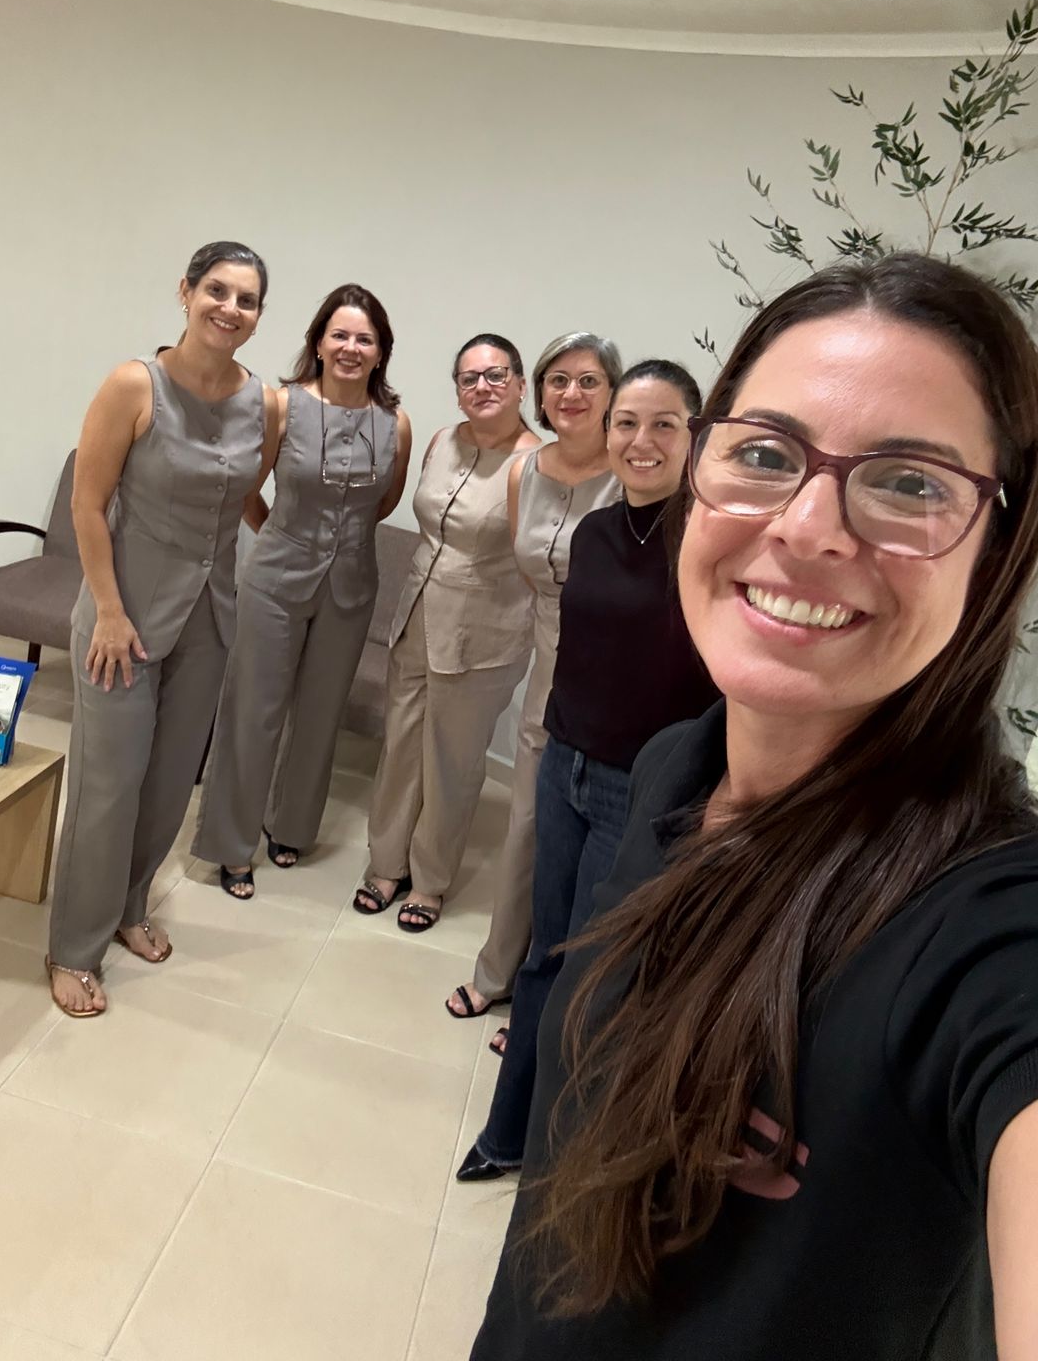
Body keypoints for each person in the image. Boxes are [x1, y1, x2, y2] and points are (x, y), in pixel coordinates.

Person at [472, 253, 1038, 1360]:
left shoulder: (979, 926)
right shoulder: (677, 774)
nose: (808, 526)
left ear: (998, 549)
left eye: (911, 483)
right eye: (767, 455)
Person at [458, 359, 717, 1178]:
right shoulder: (597, 532)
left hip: (640, 789)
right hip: (563, 765)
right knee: (544, 956)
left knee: (594, 974)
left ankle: (558, 1159)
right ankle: (508, 1134)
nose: (641, 441)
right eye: (626, 424)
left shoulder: (711, 541)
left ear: (696, 436)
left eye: (664, 424)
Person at [45, 240, 275, 1018]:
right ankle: (73, 946)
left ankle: (129, 905)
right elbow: (87, 504)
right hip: (126, 614)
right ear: (186, 292)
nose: (230, 309)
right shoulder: (132, 384)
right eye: (218, 291)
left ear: (259, 315)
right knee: (108, 784)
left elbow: (244, 497)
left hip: (209, 616)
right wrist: (108, 612)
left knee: (171, 780)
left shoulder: (265, 402)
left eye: (247, 299)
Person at [193, 285, 411, 896]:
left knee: (320, 713)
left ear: (380, 351)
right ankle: (230, 844)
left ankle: (291, 825)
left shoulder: (395, 423)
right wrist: (284, 535)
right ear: (318, 342)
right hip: (275, 579)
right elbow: (247, 488)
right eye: (339, 335)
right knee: (253, 709)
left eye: (364, 338)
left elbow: (383, 503)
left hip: (352, 586)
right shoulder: (281, 405)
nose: (350, 348)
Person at [445, 332, 621, 1031]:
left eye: (588, 381)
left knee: (587, 845)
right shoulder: (525, 470)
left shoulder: (633, 472)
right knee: (526, 823)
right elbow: (531, 571)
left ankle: (555, 1003)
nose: (571, 394)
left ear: (612, 392)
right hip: (550, 663)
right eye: (558, 381)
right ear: (538, 393)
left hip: (612, 672)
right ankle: (499, 973)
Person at [356, 334, 542, 931]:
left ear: (520, 385)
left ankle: (429, 881)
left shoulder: (537, 465)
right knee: (400, 744)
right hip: (415, 614)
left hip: (484, 630)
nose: (482, 386)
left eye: (496, 374)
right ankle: (386, 862)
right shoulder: (441, 441)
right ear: (458, 391)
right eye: (469, 378)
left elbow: (537, 563)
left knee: (452, 762)